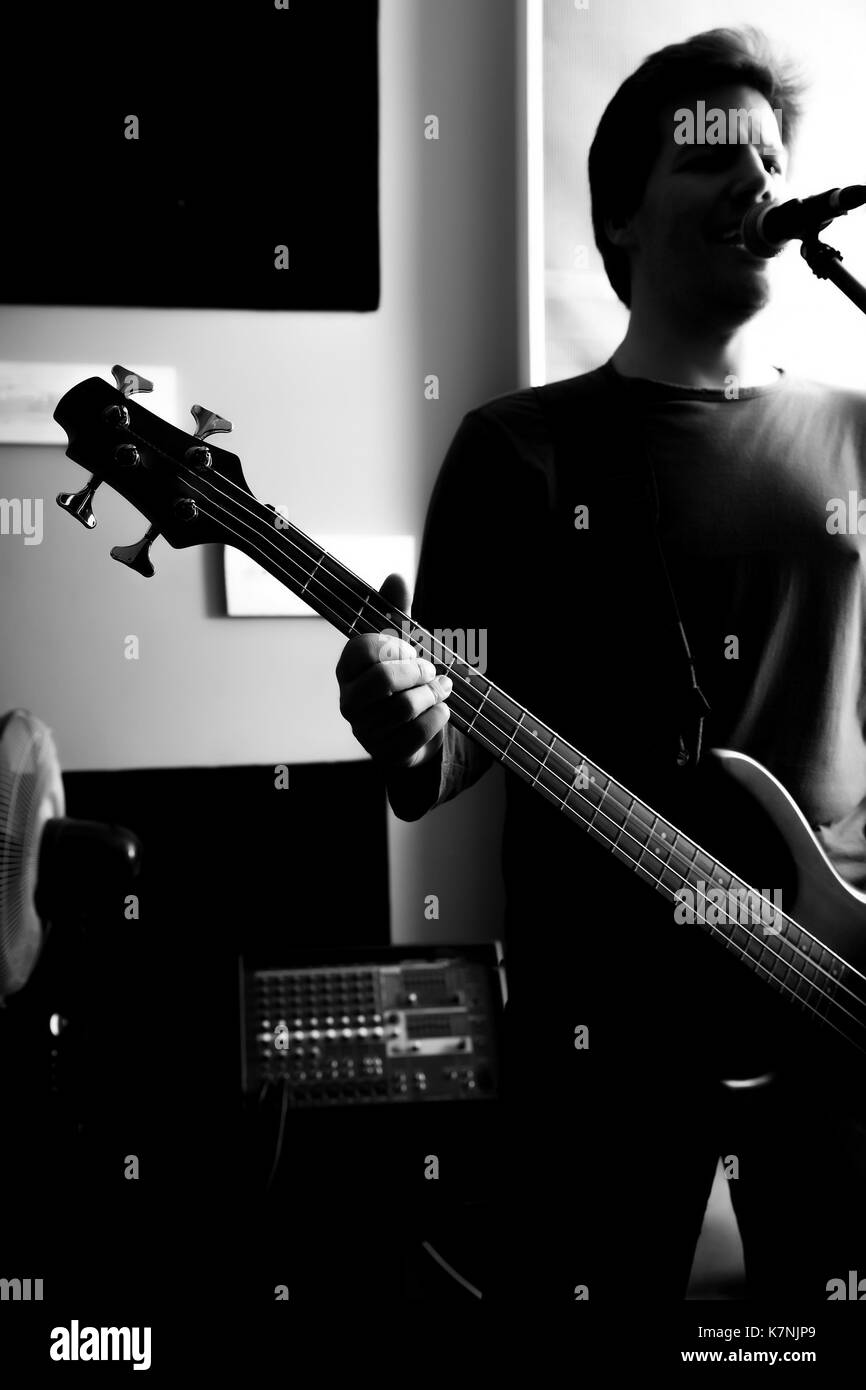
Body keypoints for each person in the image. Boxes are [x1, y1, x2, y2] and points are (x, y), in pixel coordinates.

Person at [336, 27, 866, 1305]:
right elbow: (444, 739)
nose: (752, 177)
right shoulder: (521, 450)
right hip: (608, 1019)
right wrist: (404, 719)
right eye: (708, 156)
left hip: (837, 981)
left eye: (769, 155)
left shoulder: (855, 431)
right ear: (619, 218)